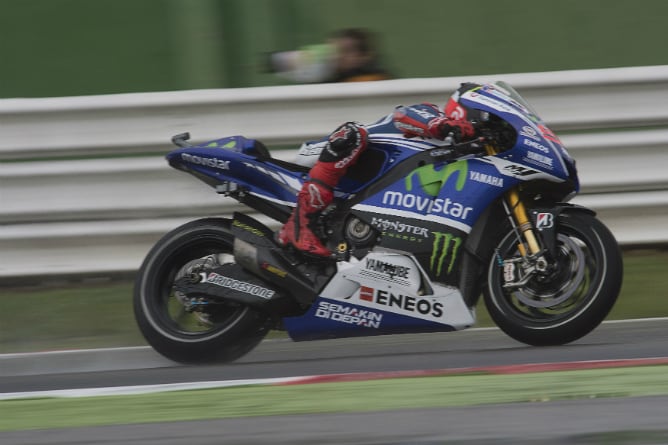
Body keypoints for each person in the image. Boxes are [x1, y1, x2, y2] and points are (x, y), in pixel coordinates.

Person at [277, 83, 480, 257]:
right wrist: (443, 125)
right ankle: (299, 224)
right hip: (321, 155)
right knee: (353, 133)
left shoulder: (461, 153)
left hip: (355, 185)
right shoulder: (432, 113)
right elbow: (402, 114)